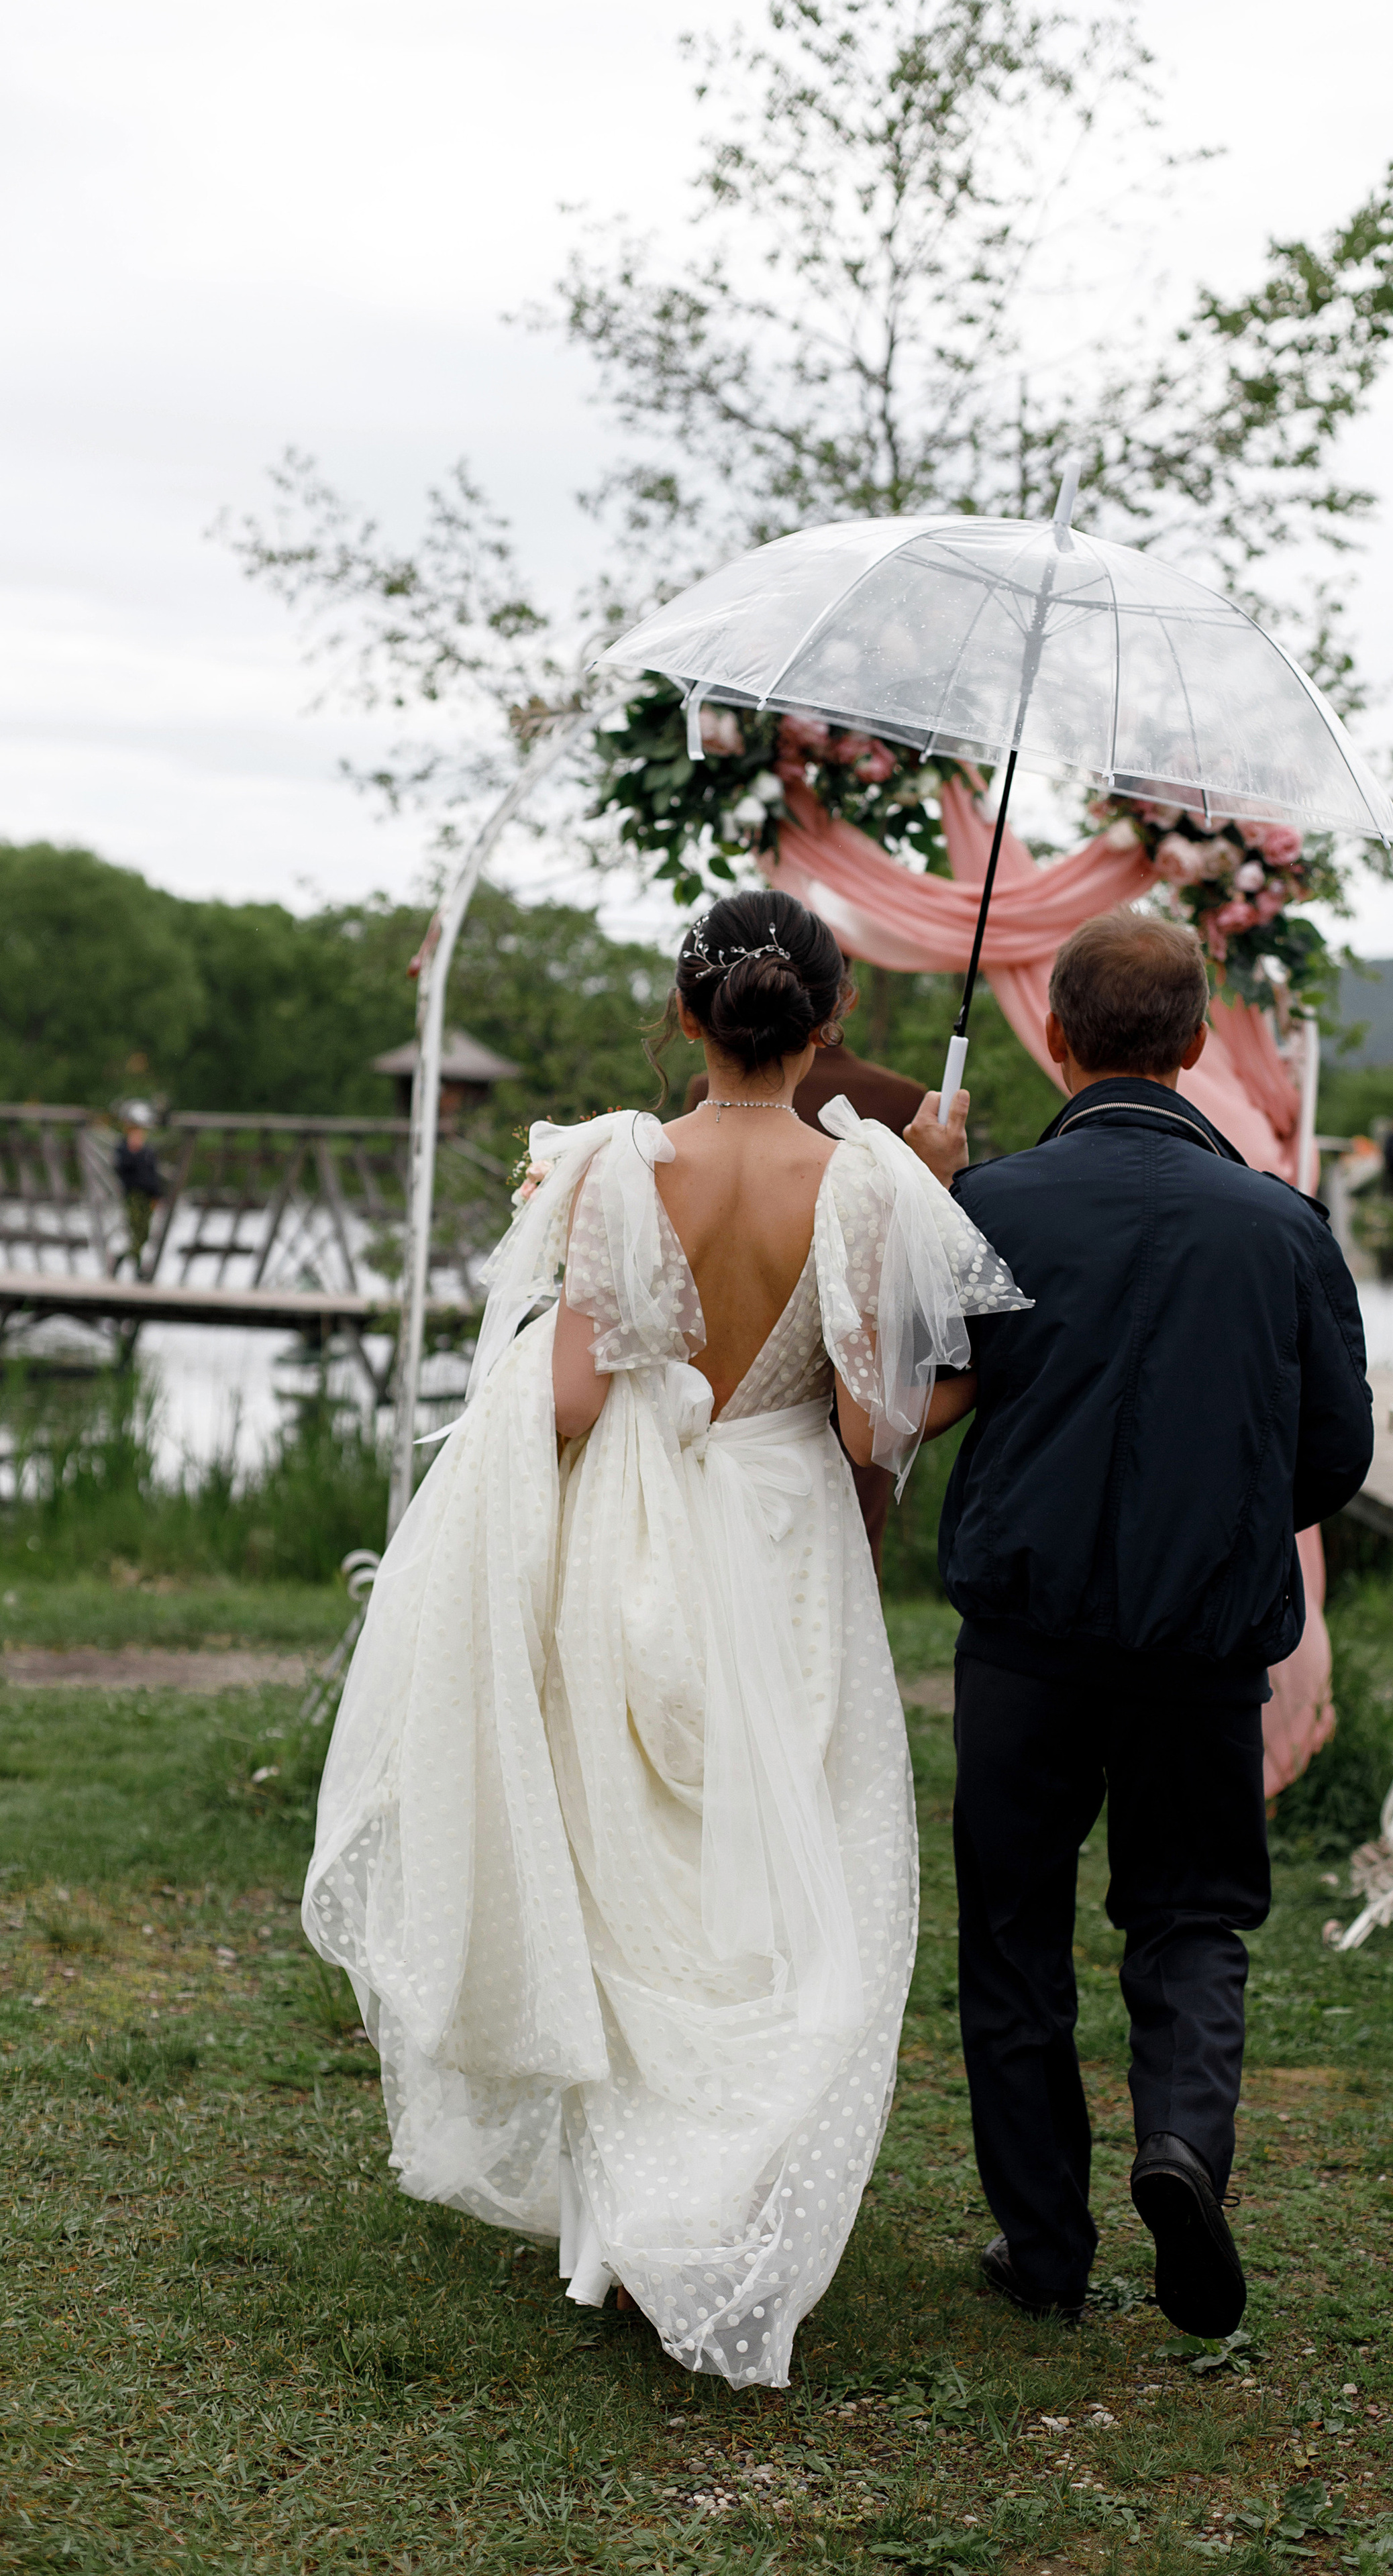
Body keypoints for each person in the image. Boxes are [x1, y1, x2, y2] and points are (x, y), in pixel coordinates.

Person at [302, 890, 1027, 2389]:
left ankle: (639, 2208)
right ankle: (724, 2187)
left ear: (684, 1018)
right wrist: (932, 1233)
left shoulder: (610, 1167)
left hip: (637, 1543)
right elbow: (864, 1424)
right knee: (786, 1867)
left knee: (628, 1866)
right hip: (785, 1545)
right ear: (829, 1026)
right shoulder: (874, 1182)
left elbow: (565, 1402)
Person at [919, 910, 1373, 2336]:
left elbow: (918, 1390)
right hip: (1201, 1645)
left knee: (1010, 1933)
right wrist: (1230, 1519)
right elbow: (1333, 1454)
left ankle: (1043, 2250)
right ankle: (1179, 2145)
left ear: (1055, 1035)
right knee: (1188, 1919)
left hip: (1025, 1639)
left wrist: (923, 1196)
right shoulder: (1282, 1225)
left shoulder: (990, 1204)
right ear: (1194, 1045)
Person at [686, 1027, 928, 1575]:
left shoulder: (698, 1098)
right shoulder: (901, 1099)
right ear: (841, 1004)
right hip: (844, 1380)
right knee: (841, 1555)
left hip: (712, 1391)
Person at [113, 1101, 167, 1272]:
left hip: (148, 1196)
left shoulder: (148, 1151)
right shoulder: (123, 1149)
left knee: (145, 1233)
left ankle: (123, 1259)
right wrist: (132, 1152)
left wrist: (157, 1196)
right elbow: (121, 1170)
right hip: (134, 1195)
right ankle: (138, 1269)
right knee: (136, 1231)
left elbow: (153, 1175)